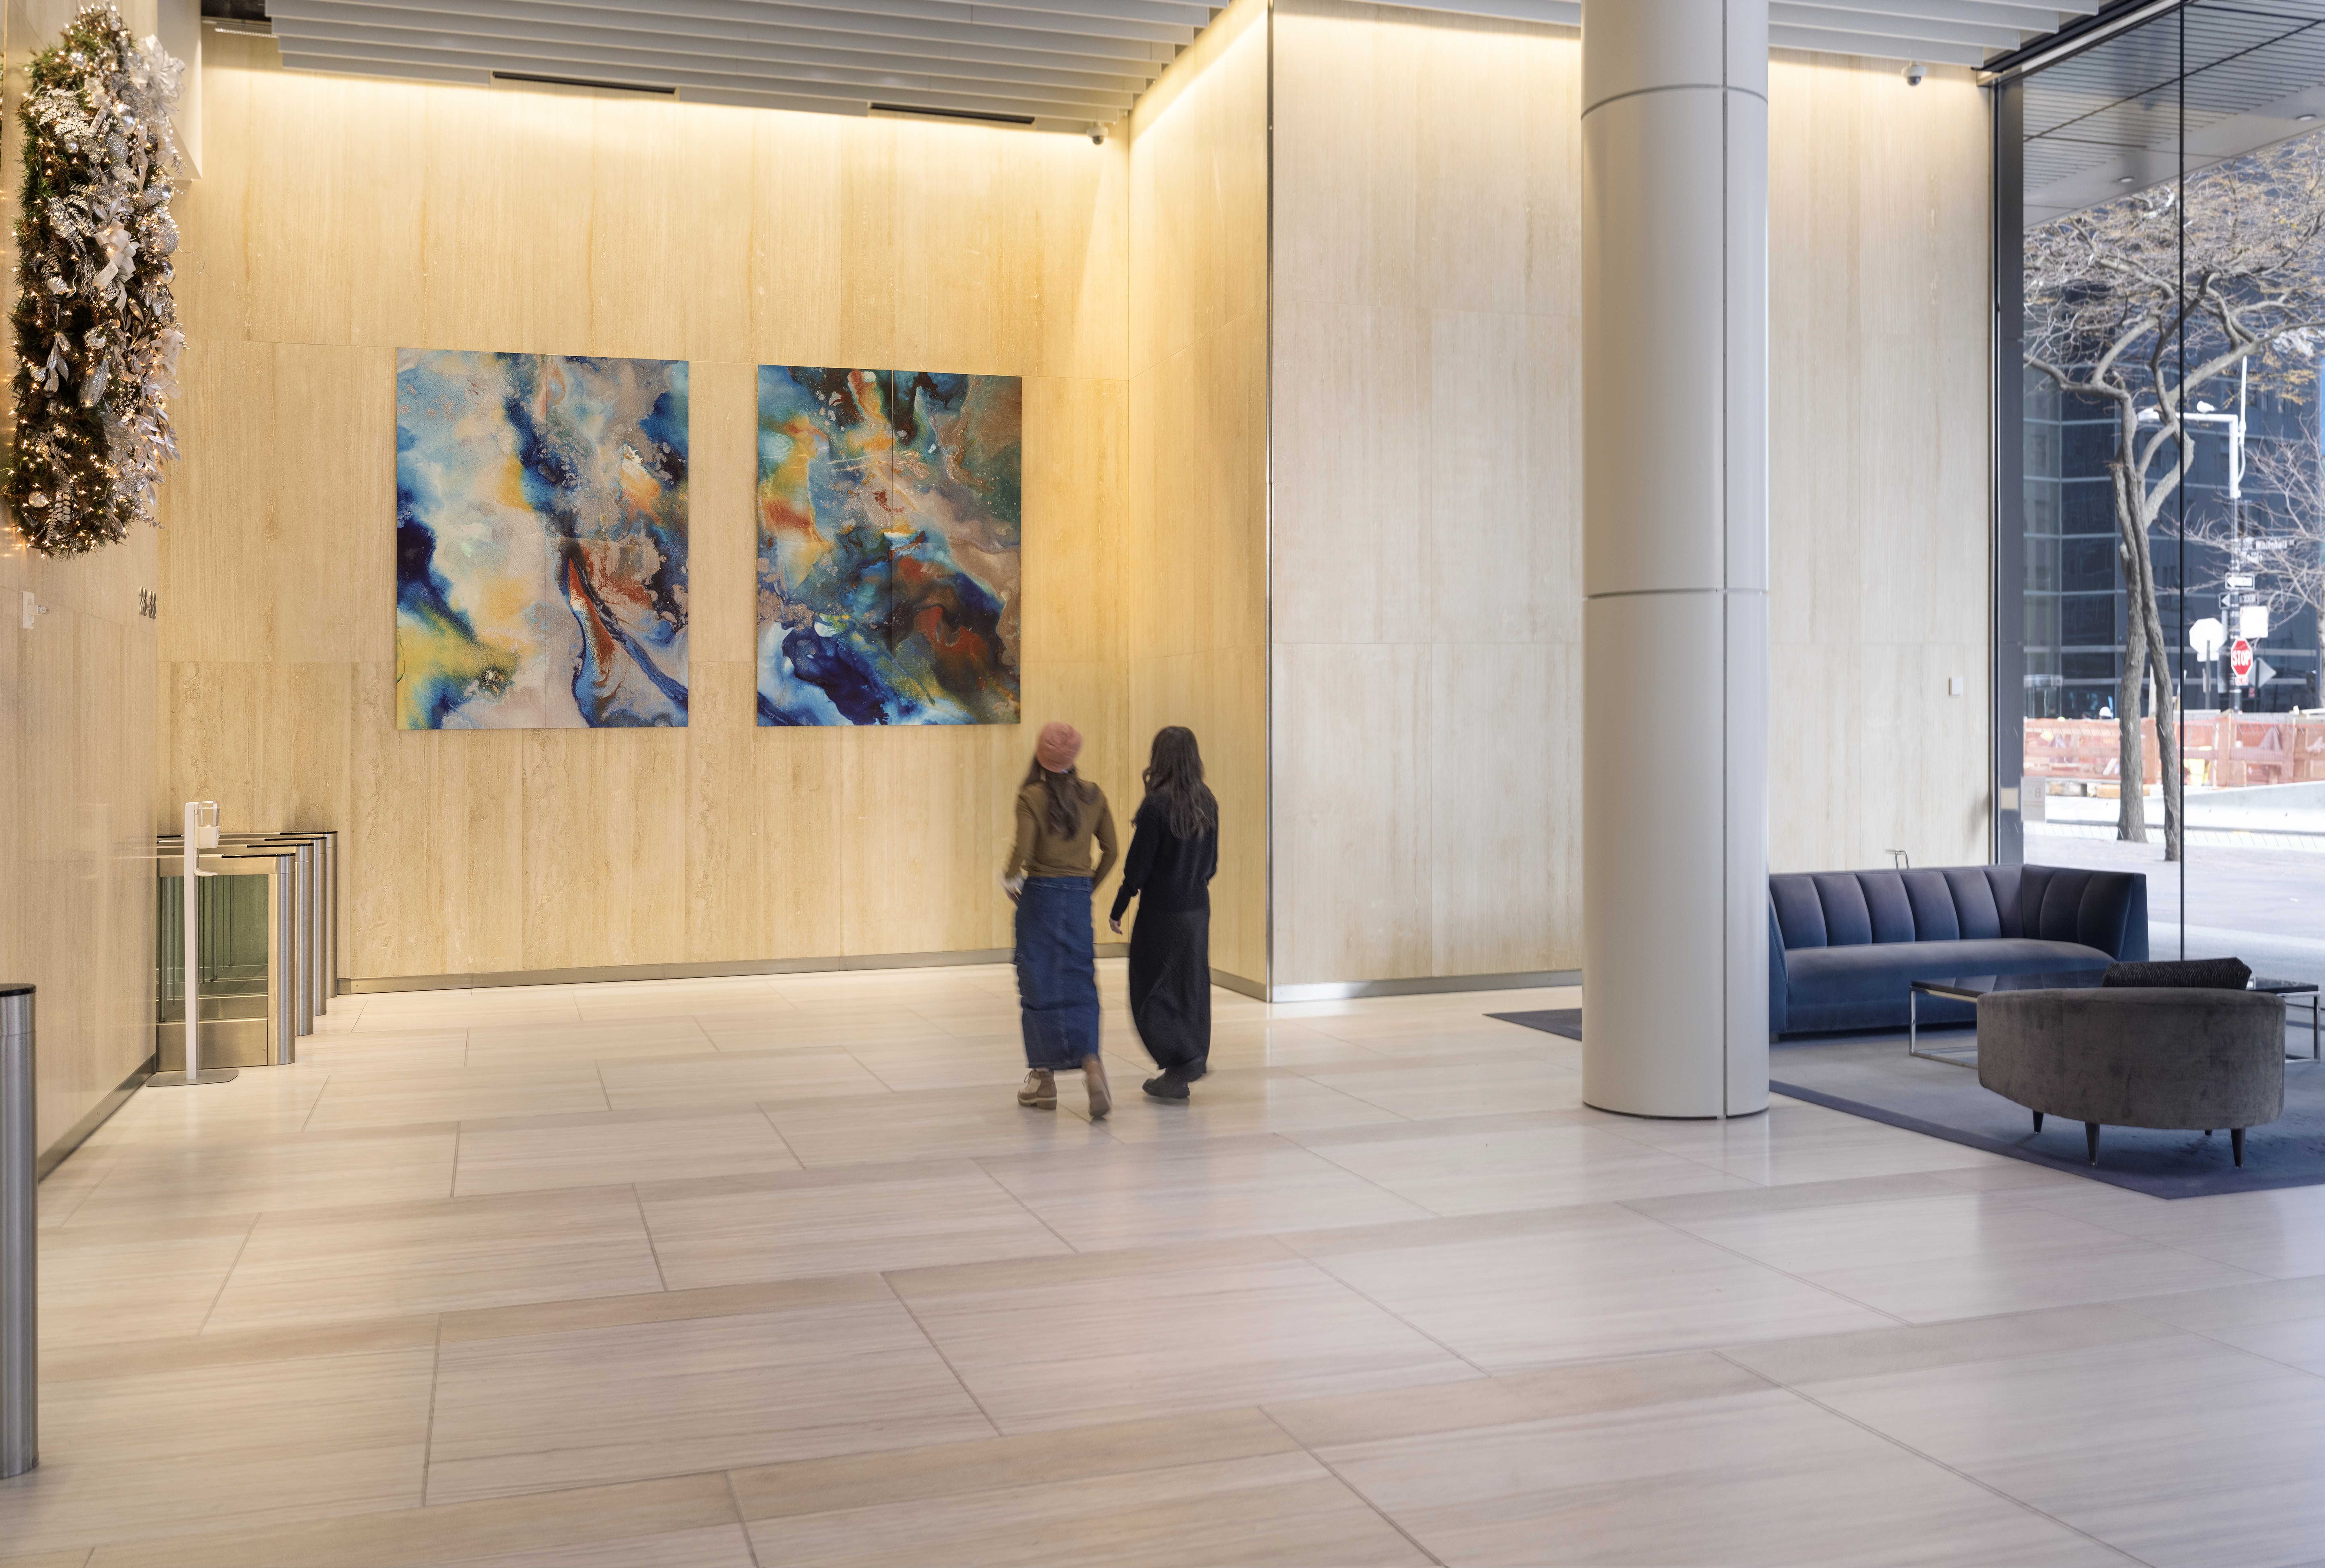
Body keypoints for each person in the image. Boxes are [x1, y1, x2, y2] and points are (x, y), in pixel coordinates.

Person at [1004, 720, 1118, 1118]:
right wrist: (1088, 887)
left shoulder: (1030, 796)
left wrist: (1009, 879)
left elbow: (1023, 848)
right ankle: (1091, 1062)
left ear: (1040, 755)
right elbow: (1112, 851)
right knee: (1079, 978)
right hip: (1075, 899)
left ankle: (1043, 1080)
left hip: (1039, 896)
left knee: (1036, 981)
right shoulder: (1094, 795)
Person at [1109, 726, 1219, 1101]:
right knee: (1190, 988)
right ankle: (1186, 1065)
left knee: (1149, 989)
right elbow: (1211, 866)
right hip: (1196, 912)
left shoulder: (1156, 805)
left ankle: (1182, 1059)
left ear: (1160, 759)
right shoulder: (1208, 801)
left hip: (1161, 913)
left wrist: (1120, 904)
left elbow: (1138, 867)